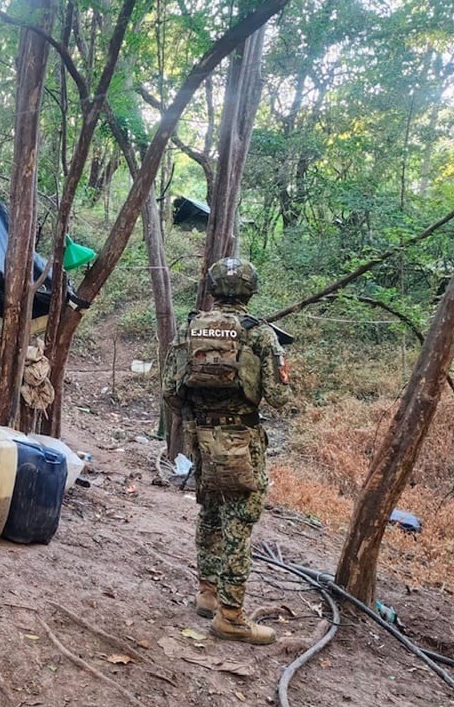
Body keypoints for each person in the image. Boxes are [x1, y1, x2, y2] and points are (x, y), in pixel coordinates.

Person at [162, 257, 290, 645]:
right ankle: (231, 617)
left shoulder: (190, 328)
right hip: (242, 442)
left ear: (212, 288)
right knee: (238, 524)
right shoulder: (260, 334)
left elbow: (170, 391)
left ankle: (208, 593)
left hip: (201, 439)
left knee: (211, 511)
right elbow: (280, 397)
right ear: (251, 290)